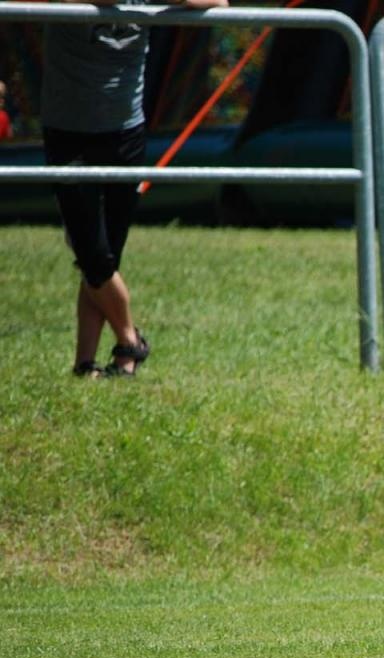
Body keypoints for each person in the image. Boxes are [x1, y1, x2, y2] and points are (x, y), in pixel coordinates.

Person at [42, 0, 227, 379]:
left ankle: (85, 364)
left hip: (126, 132)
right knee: (93, 254)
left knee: (106, 254)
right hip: (68, 132)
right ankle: (130, 341)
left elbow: (218, 1)